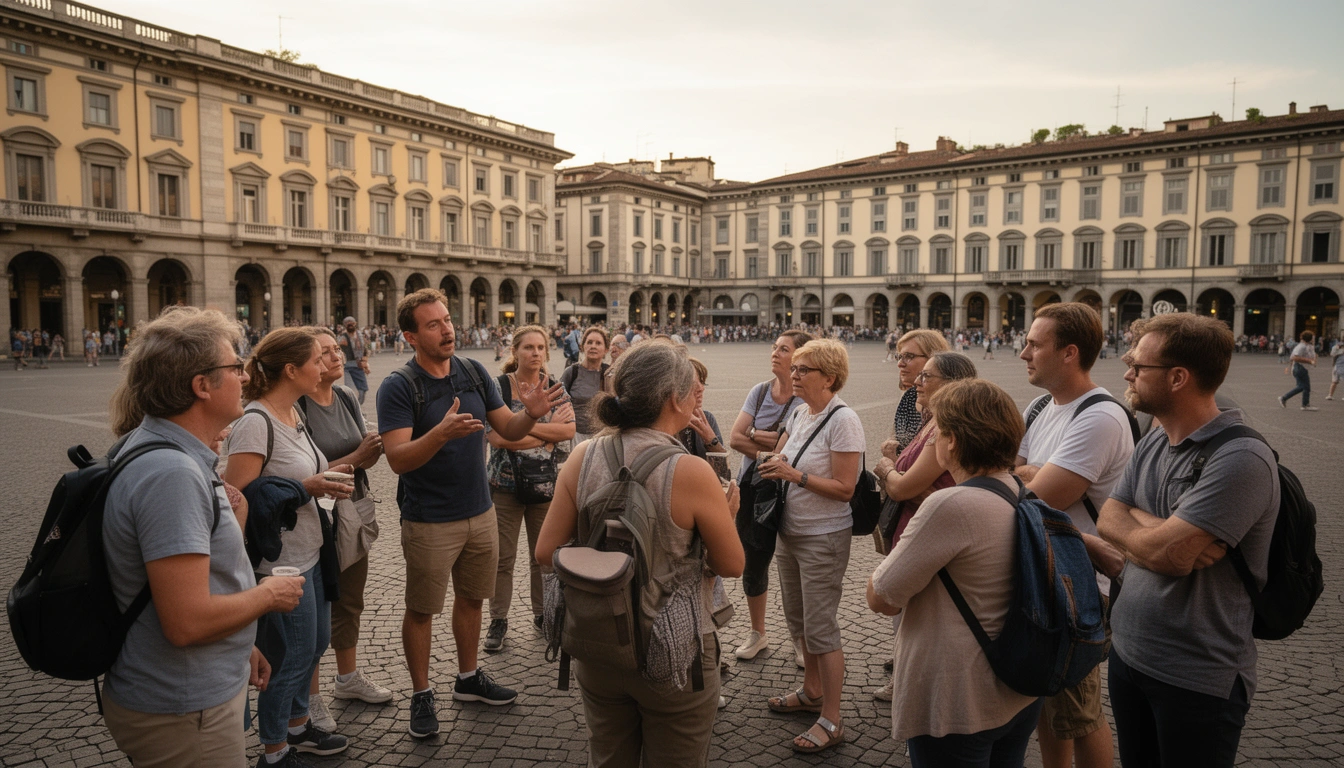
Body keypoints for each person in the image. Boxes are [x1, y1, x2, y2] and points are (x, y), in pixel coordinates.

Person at [101, 306, 305, 768]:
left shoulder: (163, 448)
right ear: (201, 386)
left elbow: (197, 585)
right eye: (235, 367)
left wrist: (240, 644)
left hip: (190, 687)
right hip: (183, 705)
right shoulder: (170, 473)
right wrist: (268, 594)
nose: (246, 376)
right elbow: (186, 621)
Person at [534, 340, 745, 768]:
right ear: (674, 399)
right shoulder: (690, 470)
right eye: (691, 391)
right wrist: (726, 514)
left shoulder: (582, 456)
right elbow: (732, 564)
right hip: (674, 649)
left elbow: (544, 552)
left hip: (598, 641)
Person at [377, 288, 564, 739]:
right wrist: (439, 434)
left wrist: (531, 415)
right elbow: (398, 459)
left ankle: (467, 678)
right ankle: (422, 694)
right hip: (428, 517)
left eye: (447, 319)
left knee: (472, 599)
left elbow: (507, 428)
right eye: (433, 324)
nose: (447, 329)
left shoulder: (473, 371)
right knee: (422, 610)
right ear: (410, 336)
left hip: (479, 510)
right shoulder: (400, 386)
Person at [1097, 313, 1279, 768]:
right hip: (1129, 655)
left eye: (1138, 367)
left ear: (1178, 377)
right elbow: (1107, 516)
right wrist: (1160, 526)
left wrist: (1145, 531)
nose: (1127, 374)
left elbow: (1170, 556)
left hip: (1197, 676)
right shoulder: (1154, 439)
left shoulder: (1241, 458)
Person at [867, 379, 1044, 767]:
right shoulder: (1018, 488)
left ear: (954, 442)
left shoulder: (951, 505)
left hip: (958, 697)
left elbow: (881, 597)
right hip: (1016, 688)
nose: (933, 442)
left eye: (938, 433)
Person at [223, 327, 357, 765]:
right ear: (291, 369)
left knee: (315, 643)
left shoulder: (293, 413)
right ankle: (275, 749)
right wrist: (307, 486)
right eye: (316, 360)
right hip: (278, 563)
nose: (323, 366)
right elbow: (237, 499)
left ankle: (298, 727)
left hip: (311, 551)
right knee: (292, 655)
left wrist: (326, 481)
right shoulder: (254, 422)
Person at [1014, 303, 1133, 768]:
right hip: (1044, 573)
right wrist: (1027, 473)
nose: (1023, 352)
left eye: (1034, 344)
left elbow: (1039, 498)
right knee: (1048, 701)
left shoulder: (1100, 416)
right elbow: (1011, 477)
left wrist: (1028, 475)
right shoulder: (1041, 405)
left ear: (1069, 353)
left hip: (1080, 587)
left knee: (1081, 713)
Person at [758, 338, 864, 754]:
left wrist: (792, 475)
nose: (794, 374)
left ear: (830, 378)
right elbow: (782, 454)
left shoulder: (845, 420)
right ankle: (811, 690)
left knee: (821, 627)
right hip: (792, 530)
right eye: (795, 368)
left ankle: (832, 718)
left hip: (824, 536)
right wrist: (772, 464)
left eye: (804, 370)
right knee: (798, 618)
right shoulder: (801, 411)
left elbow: (844, 488)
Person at [300, 329, 392, 731]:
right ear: (305, 361)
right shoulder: (297, 406)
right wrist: (357, 456)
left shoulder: (347, 397)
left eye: (337, 349)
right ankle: (311, 696)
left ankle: (347, 677)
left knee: (350, 598)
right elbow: (302, 471)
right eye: (326, 352)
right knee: (317, 607)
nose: (337, 356)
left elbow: (364, 459)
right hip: (315, 516)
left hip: (352, 511)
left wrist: (364, 456)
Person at [871, 351, 976, 701]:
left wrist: (886, 467)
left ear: (950, 384)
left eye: (925, 377)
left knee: (922, 619)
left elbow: (903, 486)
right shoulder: (931, 420)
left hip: (930, 537)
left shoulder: (946, 427)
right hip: (916, 528)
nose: (916, 381)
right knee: (913, 618)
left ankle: (918, 691)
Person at [483, 325, 575, 653]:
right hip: (504, 486)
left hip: (545, 486)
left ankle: (542, 614)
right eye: (528, 348)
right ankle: (498, 620)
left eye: (540, 347)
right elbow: (495, 437)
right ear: (515, 352)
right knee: (502, 558)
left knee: (544, 556)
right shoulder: (498, 388)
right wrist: (546, 434)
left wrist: (524, 434)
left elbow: (569, 432)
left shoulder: (555, 388)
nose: (535, 353)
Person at [726, 331, 811, 663]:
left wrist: (762, 440)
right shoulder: (759, 392)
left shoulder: (806, 401)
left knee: (795, 563)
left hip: (791, 492)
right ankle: (758, 633)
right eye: (774, 347)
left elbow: (793, 452)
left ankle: (801, 638)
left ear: (801, 358)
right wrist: (772, 444)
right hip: (753, 489)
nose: (775, 353)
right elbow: (735, 438)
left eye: (784, 349)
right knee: (754, 560)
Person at [561, 326, 610, 444]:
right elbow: (558, 401)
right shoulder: (572, 372)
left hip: (601, 437)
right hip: (575, 436)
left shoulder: (609, 374)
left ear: (606, 350)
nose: (593, 346)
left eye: (598, 343)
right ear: (582, 347)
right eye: (589, 342)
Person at [1278, 330, 1318, 410]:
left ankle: (1304, 404)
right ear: (1309, 338)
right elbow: (1294, 357)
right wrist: (1309, 361)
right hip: (1300, 367)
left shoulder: (1307, 346)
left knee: (1304, 387)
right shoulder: (1302, 346)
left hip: (1301, 368)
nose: (1314, 339)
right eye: (1312, 338)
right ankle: (1285, 398)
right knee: (1303, 386)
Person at [337, 316, 371, 405]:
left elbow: (368, 346)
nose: (350, 325)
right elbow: (336, 349)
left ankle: (357, 408)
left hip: (359, 365)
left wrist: (366, 358)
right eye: (348, 324)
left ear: (355, 324)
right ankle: (354, 411)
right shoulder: (342, 337)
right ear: (345, 325)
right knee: (350, 390)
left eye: (351, 323)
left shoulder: (362, 336)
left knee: (363, 390)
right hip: (347, 367)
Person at [1329, 334, 1344, 400]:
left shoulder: (1338, 345)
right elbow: (1332, 354)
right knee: (1334, 381)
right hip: (1338, 365)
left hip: (1338, 365)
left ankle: (1330, 395)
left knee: (1334, 381)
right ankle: (1330, 395)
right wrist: (1339, 350)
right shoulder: (1338, 346)